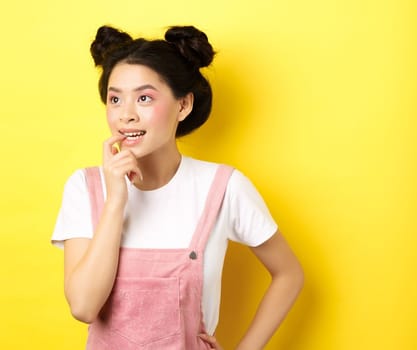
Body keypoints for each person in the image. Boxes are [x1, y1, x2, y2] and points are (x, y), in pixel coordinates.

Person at [51, 25, 304, 349]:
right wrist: (116, 201)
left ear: (183, 106)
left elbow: (289, 274)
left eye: (144, 98)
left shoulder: (223, 187)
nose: (126, 115)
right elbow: (84, 307)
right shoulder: (84, 188)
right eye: (115, 99)